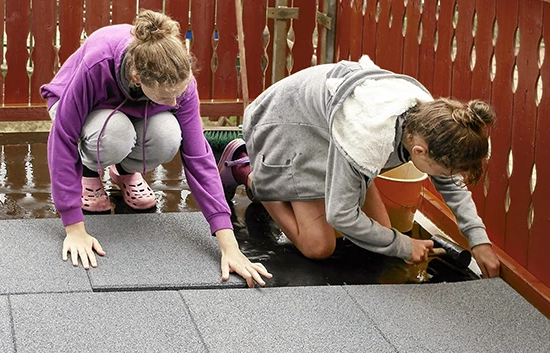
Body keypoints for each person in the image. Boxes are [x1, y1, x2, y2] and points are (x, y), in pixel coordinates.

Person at [40, 10, 272, 287]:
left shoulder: (178, 82)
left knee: (168, 134)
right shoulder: (98, 64)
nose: (175, 101)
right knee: (115, 133)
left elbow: (198, 157)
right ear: (137, 78)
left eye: (178, 94)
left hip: (136, 108)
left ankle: (125, 172)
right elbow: (62, 137)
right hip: (81, 111)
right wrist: (74, 227)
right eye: (166, 96)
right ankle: (90, 173)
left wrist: (229, 244)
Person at [218, 55, 501, 278]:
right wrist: (404, 245)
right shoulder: (368, 135)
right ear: (419, 151)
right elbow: (341, 216)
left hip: (329, 128)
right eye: (445, 171)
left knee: (381, 232)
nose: (449, 179)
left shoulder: (433, 121)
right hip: (286, 123)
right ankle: (251, 171)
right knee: (319, 247)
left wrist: (479, 240)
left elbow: (450, 182)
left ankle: (283, 180)